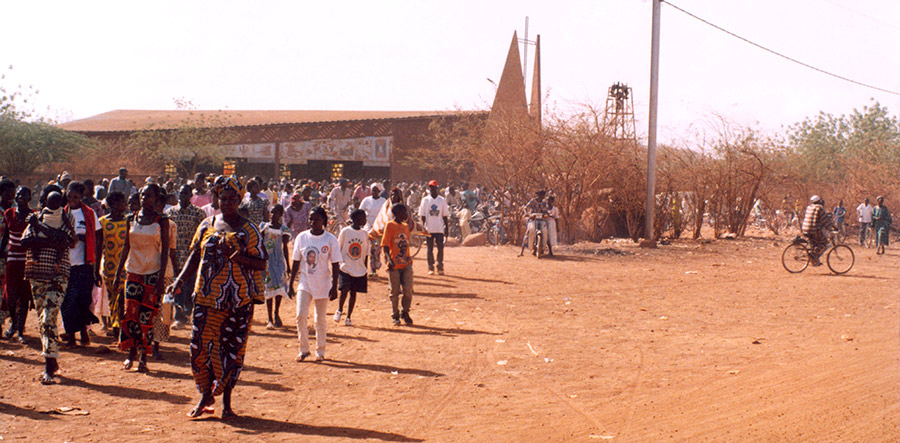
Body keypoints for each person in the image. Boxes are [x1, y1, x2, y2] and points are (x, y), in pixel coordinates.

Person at [169, 176, 266, 419]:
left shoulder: (249, 229)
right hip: (205, 296)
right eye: (224, 198)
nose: (228, 202)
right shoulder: (206, 224)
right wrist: (179, 280)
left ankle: (227, 404)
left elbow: (261, 262)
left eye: (233, 198)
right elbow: (194, 256)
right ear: (217, 199)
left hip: (237, 301)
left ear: (239, 199)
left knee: (231, 351)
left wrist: (234, 255)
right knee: (199, 348)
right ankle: (205, 394)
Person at [21, 186, 76, 384]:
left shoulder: (67, 219)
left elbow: (66, 241)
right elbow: (25, 241)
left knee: (48, 318)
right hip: (36, 274)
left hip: (58, 274)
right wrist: (51, 240)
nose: (53, 204)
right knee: (42, 318)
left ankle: (48, 365)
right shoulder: (37, 217)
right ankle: (51, 359)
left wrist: (42, 235)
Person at [114, 184, 169, 373]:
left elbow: (165, 252)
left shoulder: (162, 220)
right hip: (133, 271)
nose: (145, 199)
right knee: (130, 313)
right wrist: (117, 274)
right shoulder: (131, 218)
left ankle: (144, 357)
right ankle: (131, 353)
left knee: (146, 316)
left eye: (150, 196)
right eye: (143, 195)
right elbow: (125, 247)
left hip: (152, 272)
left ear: (156, 198)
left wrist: (161, 278)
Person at [288, 206, 341, 362]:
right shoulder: (301, 238)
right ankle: (304, 350)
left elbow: (336, 264)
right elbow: (296, 261)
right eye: (310, 218)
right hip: (305, 283)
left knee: (320, 319)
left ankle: (320, 351)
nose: (312, 222)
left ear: (323, 220)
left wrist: (334, 286)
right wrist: (291, 283)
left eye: (316, 219)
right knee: (300, 315)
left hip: (323, 283)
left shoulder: (330, 239)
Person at [60, 181, 101, 347]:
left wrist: (81, 238)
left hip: (84, 265)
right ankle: (71, 335)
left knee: (83, 300)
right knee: (67, 302)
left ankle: (84, 332)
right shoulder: (62, 213)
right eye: (69, 196)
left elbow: (97, 237)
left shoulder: (89, 214)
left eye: (76, 197)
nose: (72, 199)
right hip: (66, 265)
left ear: (82, 197)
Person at [165, 185, 206, 328]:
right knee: (177, 286)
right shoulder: (170, 213)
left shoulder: (198, 213)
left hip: (192, 257)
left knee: (190, 287)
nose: (182, 196)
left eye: (185, 193)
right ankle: (179, 316)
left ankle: (188, 311)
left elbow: (203, 235)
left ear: (190, 195)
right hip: (175, 256)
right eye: (181, 193)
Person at [3, 186, 34, 343]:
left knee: (24, 297)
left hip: (26, 260)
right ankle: (14, 324)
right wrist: (2, 250)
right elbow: (6, 237)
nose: (20, 197)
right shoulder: (9, 213)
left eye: (24, 195)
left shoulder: (33, 216)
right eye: (18, 194)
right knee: (11, 296)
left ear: (30, 198)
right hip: (12, 259)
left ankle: (20, 329)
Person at [98, 191, 128, 339]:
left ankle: (121, 327)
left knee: (124, 297)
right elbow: (99, 247)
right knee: (112, 297)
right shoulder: (103, 222)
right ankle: (116, 326)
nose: (125, 205)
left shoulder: (129, 221)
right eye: (122, 202)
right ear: (113, 204)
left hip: (127, 266)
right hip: (110, 266)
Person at [335, 209, 369, 326]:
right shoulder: (345, 231)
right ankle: (339, 309)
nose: (365, 220)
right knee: (344, 289)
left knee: (353, 293)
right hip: (345, 266)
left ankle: (349, 316)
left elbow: (366, 252)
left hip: (358, 268)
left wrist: (365, 268)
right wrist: (339, 263)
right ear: (356, 219)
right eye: (363, 218)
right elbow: (339, 247)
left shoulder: (364, 234)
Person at [382, 204, 414, 326]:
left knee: (408, 290)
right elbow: (385, 245)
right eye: (404, 212)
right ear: (397, 213)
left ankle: (405, 311)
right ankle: (395, 314)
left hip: (406, 263)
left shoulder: (406, 227)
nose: (406, 215)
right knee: (394, 291)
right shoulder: (390, 225)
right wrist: (389, 259)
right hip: (394, 264)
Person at [261, 204, 291, 329]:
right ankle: (269, 318)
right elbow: (260, 243)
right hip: (267, 262)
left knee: (279, 287)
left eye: (276, 213)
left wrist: (288, 265)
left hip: (278, 262)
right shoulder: (264, 227)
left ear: (280, 215)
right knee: (269, 288)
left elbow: (285, 248)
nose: (273, 215)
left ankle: (276, 313)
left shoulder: (283, 229)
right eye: (272, 212)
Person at [418, 180, 449, 275]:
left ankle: (440, 266)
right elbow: (422, 215)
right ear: (429, 188)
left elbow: (445, 215)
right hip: (429, 229)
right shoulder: (425, 200)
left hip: (439, 228)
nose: (432, 189)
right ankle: (430, 267)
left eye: (434, 188)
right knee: (429, 248)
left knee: (440, 248)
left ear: (437, 188)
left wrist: (446, 228)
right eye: (431, 188)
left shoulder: (442, 200)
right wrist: (423, 226)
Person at [359, 185, 386, 276]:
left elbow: (386, 214)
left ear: (379, 191)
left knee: (377, 249)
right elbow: (361, 211)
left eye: (376, 191)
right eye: (373, 191)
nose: (374, 192)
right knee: (369, 249)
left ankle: (375, 266)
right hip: (368, 226)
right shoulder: (366, 200)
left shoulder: (383, 201)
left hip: (379, 227)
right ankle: (369, 269)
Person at [520, 190, 551, 257]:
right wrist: (526, 213)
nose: (543, 197)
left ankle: (545, 248)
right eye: (542, 195)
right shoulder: (533, 201)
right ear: (538, 195)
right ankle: (522, 251)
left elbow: (547, 210)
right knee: (530, 230)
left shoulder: (544, 202)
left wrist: (547, 214)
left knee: (545, 231)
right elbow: (526, 207)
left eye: (543, 195)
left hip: (542, 220)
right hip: (532, 219)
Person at [801, 195, 829, 266]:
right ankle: (813, 255)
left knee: (814, 244)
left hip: (805, 229)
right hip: (813, 229)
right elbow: (825, 220)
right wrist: (830, 227)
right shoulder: (820, 208)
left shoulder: (808, 207)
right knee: (824, 243)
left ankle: (814, 261)